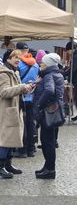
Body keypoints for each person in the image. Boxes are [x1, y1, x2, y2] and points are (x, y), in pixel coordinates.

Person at [0, 49, 33, 179]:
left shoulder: (15, 72)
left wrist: (26, 89)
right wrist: (21, 87)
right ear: (8, 59)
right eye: (15, 57)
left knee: (12, 139)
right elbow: (4, 92)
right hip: (6, 111)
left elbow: (16, 90)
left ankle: (8, 164)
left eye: (19, 57)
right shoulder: (3, 74)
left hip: (15, 109)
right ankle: (1, 167)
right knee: (5, 139)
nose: (18, 59)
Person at [33, 53, 64, 179]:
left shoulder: (49, 75)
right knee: (48, 141)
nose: (40, 64)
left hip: (48, 113)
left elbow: (49, 91)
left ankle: (50, 169)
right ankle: (47, 167)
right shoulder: (56, 74)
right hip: (53, 112)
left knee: (47, 142)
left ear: (47, 64)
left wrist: (40, 105)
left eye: (42, 63)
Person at [14, 42, 39, 158]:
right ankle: (31, 148)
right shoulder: (35, 64)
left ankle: (22, 149)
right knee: (31, 123)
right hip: (32, 97)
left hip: (21, 96)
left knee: (22, 123)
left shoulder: (18, 64)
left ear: (17, 50)